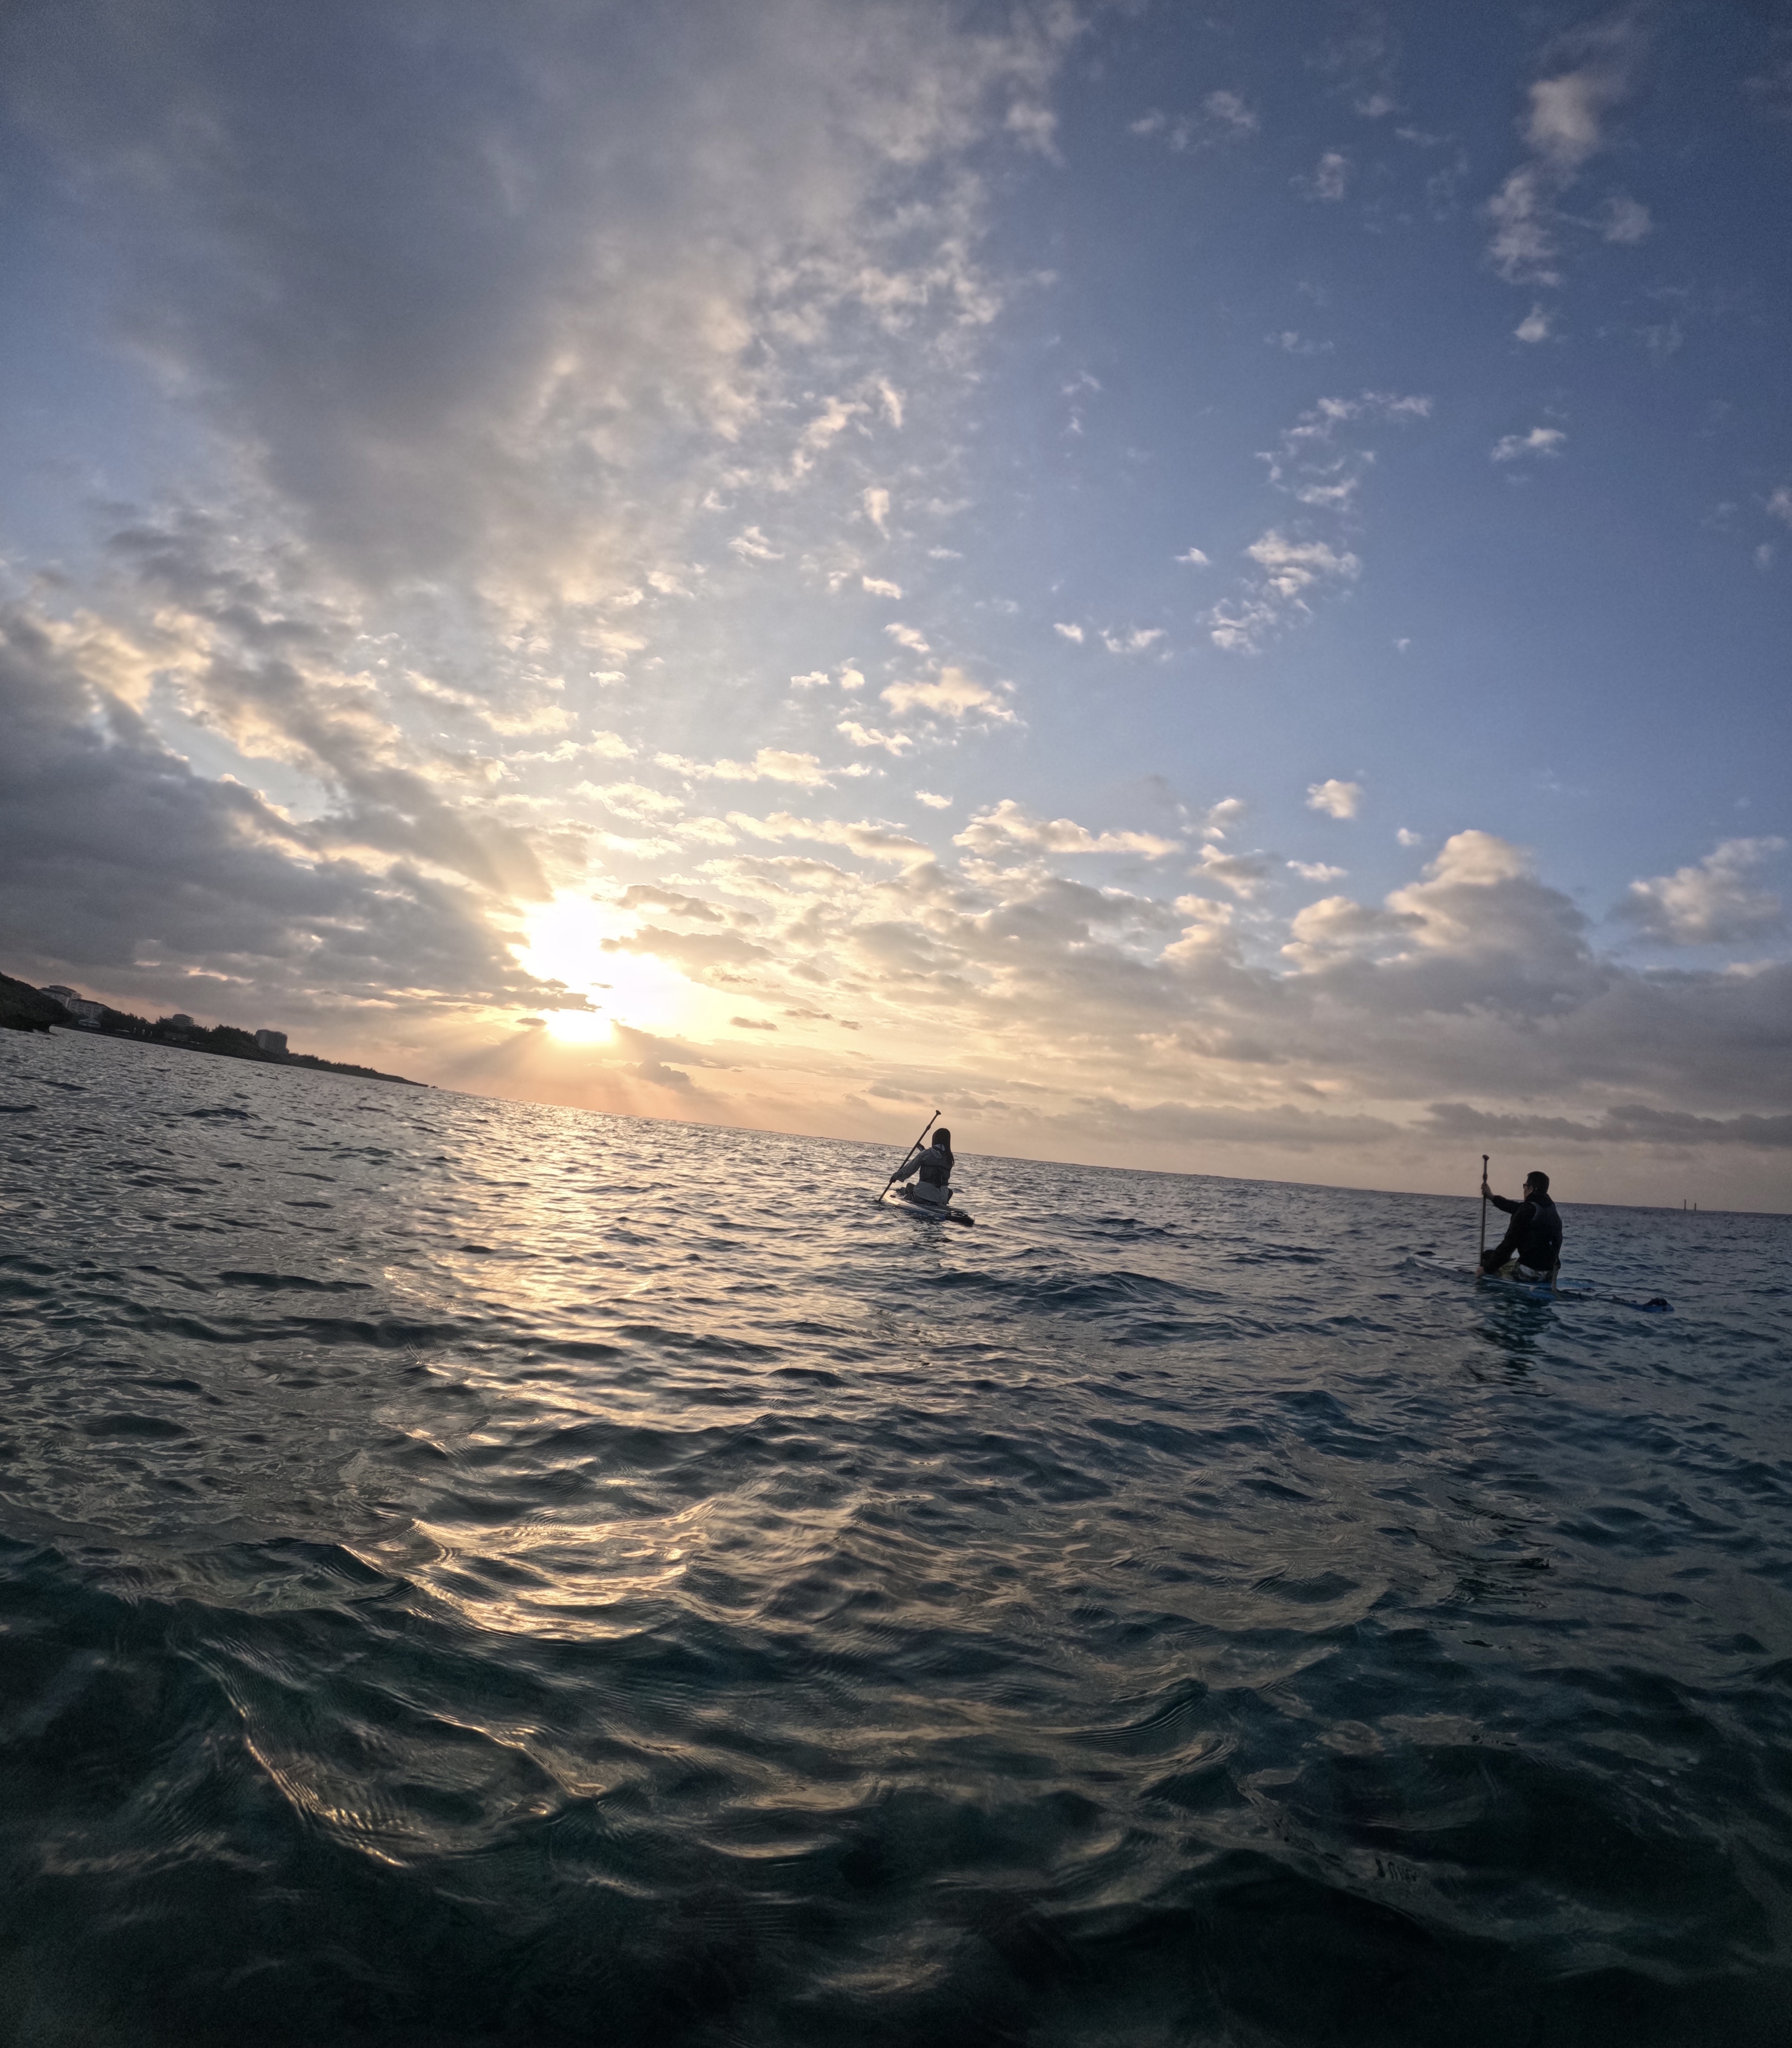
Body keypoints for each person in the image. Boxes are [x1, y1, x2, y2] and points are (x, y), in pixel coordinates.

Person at [1480, 1168, 1562, 1281]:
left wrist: (1487, 1270)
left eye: (1525, 1186)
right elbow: (1515, 1207)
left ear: (1531, 1189)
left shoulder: (1527, 1210)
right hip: (1551, 1273)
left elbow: (1509, 1245)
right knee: (1495, 1257)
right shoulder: (1550, 1208)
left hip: (1530, 1273)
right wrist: (1492, 1197)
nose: (1524, 1189)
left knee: (1487, 1258)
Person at [893, 1127, 954, 1206]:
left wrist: (895, 1176)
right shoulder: (950, 1159)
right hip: (942, 1199)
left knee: (909, 1186)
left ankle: (908, 1194)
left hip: (922, 1196)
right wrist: (923, 1150)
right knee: (949, 1191)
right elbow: (937, 1162)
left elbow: (909, 1170)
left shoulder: (925, 1154)